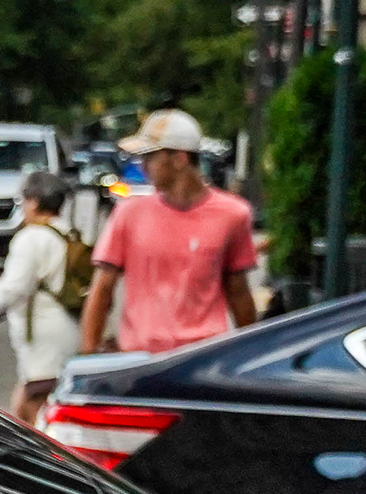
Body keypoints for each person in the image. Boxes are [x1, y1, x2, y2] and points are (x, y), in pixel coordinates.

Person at [78, 108, 257, 356]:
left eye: (150, 156)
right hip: (141, 358)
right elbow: (101, 289)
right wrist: (89, 353)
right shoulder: (129, 214)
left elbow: (238, 291)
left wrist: (250, 355)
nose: (143, 166)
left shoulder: (232, 215)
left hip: (202, 357)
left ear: (179, 159)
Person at [0, 169, 81, 422]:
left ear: (34, 202)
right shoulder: (68, 233)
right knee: (27, 402)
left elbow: (13, 289)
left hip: (43, 339)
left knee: (33, 413)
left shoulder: (30, 238)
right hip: (70, 330)